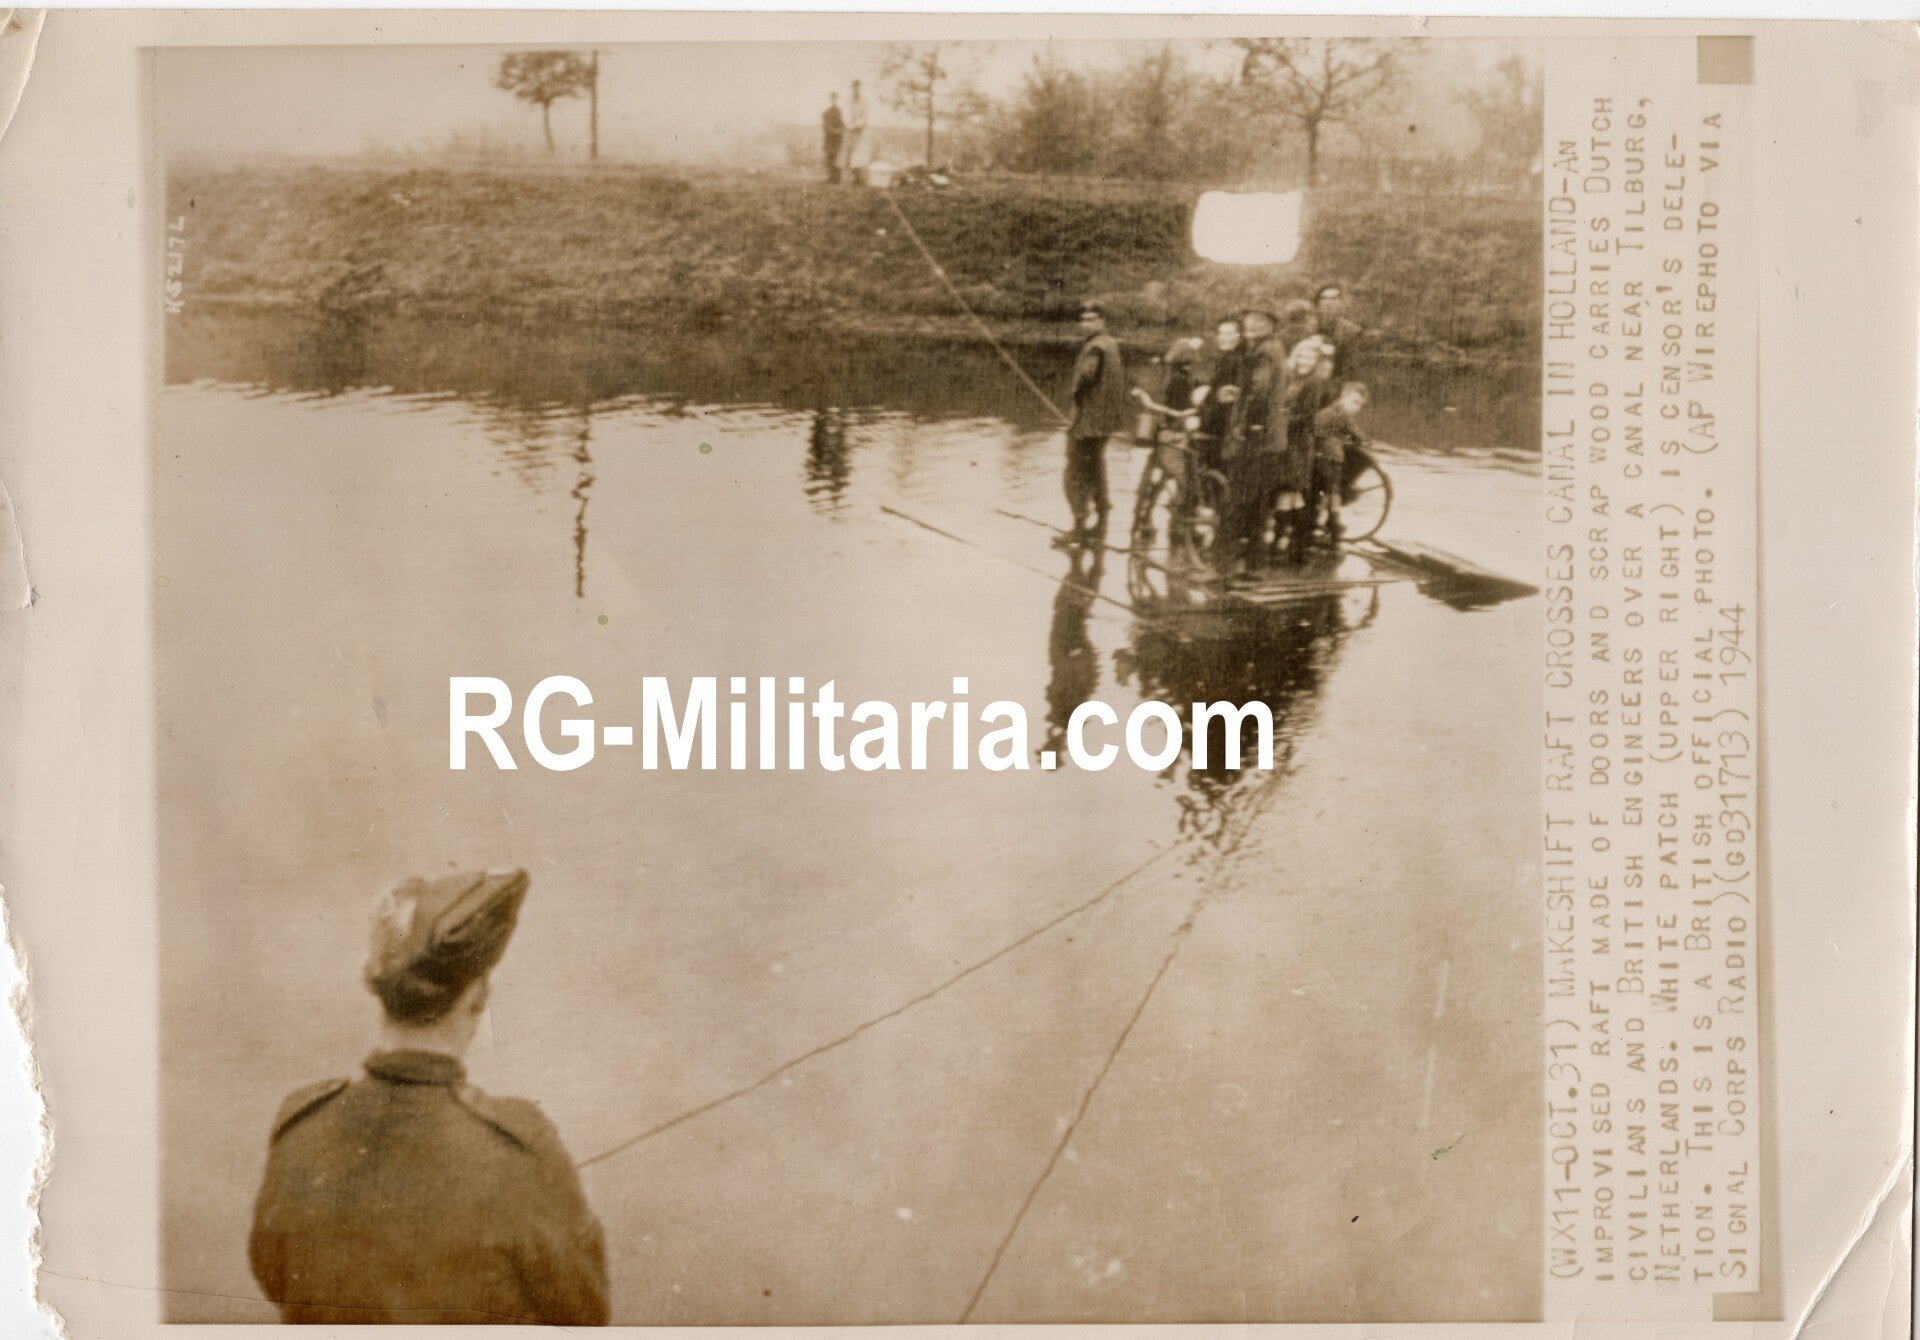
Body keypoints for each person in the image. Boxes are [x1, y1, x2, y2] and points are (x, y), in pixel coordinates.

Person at [248, 868, 610, 1326]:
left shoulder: (300, 1123)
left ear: (379, 990)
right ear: (479, 996)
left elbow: (272, 1274)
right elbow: (585, 1313)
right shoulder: (523, 1147)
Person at [1059, 301, 1128, 544]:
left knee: (1074, 473)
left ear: (1102, 322)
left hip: (1088, 424)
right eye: (1084, 320)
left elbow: (1086, 379)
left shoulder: (1096, 347)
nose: (1086, 324)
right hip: (1104, 424)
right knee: (1097, 469)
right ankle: (1101, 523)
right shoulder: (1111, 344)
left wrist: (1075, 403)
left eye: (1091, 319)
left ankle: (1079, 526)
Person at [1311, 380, 1370, 547]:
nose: (1357, 407)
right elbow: (1357, 436)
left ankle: (1324, 524)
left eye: (1360, 404)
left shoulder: (1330, 411)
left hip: (1321, 455)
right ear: (1344, 397)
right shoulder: (1342, 414)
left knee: (1324, 492)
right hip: (1330, 457)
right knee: (1332, 492)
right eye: (1355, 401)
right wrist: (1363, 442)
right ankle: (1334, 528)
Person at [1313, 281, 1366, 378]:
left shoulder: (1352, 331)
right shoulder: (1309, 327)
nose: (1329, 303)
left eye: (1334, 298)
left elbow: (1351, 367)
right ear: (1317, 303)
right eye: (1324, 298)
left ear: (1341, 303)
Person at [842, 80, 870, 185]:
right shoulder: (849, 101)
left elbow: (865, 118)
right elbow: (846, 115)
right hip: (851, 131)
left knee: (860, 154)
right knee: (852, 154)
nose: (856, 90)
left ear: (861, 88)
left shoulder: (865, 101)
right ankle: (855, 178)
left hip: (861, 131)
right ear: (852, 88)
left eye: (858, 87)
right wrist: (849, 125)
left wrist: (856, 125)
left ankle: (860, 178)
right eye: (854, 87)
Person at [821, 92, 845, 184]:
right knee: (829, 156)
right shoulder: (827, 111)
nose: (834, 100)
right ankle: (831, 177)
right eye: (832, 98)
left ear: (837, 99)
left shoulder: (840, 111)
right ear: (831, 99)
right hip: (829, 137)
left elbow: (843, 124)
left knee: (837, 157)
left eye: (835, 98)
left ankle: (837, 178)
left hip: (838, 138)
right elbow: (825, 124)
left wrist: (839, 130)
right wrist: (829, 129)